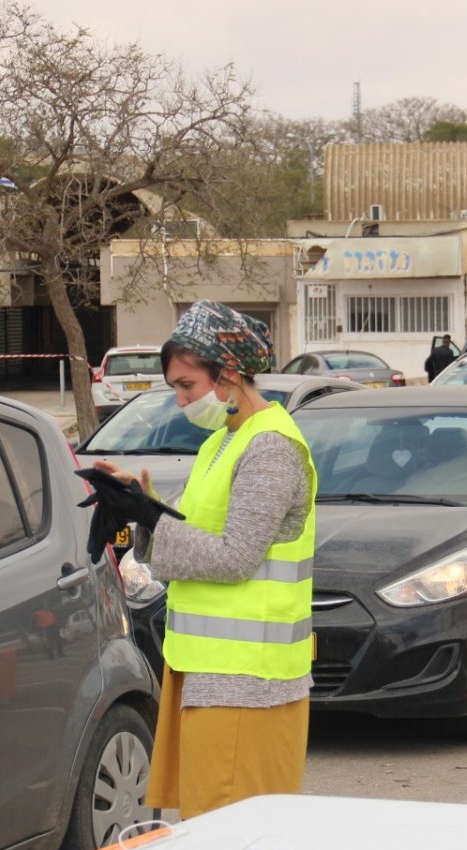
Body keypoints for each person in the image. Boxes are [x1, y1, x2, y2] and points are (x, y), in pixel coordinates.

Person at [91, 301, 316, 821]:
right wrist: (142, 512)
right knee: (212, 828)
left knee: (232, 838)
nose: (180, 400)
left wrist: (150, 516)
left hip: (247, 683)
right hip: (209, 673)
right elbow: (195, 536)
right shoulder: (225, 440)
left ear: (229, 374)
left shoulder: (271, 448)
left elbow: (235, 556)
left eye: (187, 385)